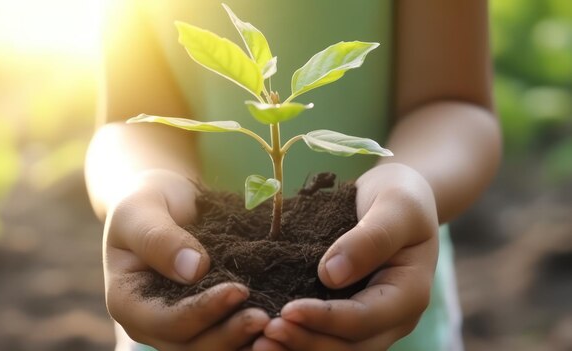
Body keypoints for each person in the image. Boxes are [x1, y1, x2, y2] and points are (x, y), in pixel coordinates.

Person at [85, 0, 501, 350]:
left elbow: (455, 102)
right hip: (179, 319)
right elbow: (127, 121)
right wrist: (136, 188)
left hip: (387, 297)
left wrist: (410, 184)